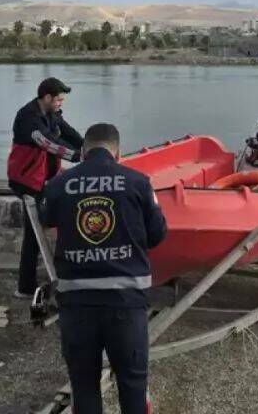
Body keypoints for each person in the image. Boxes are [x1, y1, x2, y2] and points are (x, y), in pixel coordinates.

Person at [44, 123, 167, 414]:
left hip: (77, 304)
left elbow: (46, 218)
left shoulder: (60, 184)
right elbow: (157, 234)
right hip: (126, 303)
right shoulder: (138, 182)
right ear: (118, 153)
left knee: (84, 385)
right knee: (133, 383)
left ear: (84, 151)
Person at [6, 77, 83, 298]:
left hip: (44, 179)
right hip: (26, 182)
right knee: (33, 234)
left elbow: (66, 132)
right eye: (58, 100)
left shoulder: (51, 113)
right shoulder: (29, 118)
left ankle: (55, 272)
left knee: (49, 222)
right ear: (47, 97)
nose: (61, 103)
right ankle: (25, 287)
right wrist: (78, 156)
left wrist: (89, 146)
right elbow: (47, 142)